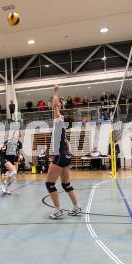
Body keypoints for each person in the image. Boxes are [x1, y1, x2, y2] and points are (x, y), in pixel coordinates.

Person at [46, 85, 82, 219]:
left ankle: (57, 210)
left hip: (61, 156)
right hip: (66, 156)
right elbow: (68, 146)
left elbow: (54, 106)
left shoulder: (59, 124)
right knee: (66, 184)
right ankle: (76, 207)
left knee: (49, 184)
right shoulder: (64, 131)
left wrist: (55, 91)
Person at [0, 130, 23, 195]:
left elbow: (19, 152)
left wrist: (20, 156)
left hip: (12, 160)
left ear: (19, 135)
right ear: (13, 135)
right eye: (16, 133)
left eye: (18, 133)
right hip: (5, 158)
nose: (17, 134)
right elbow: (1, 147)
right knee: (14, 171)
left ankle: (6, 189)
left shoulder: (19, 143)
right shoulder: (8, 141)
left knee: (13, 177)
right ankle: (3, 184)